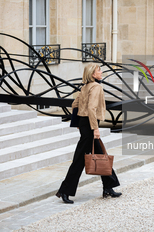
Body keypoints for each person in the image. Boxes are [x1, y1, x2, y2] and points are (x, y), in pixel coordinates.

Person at [56, 63, 122, 204]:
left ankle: (108, 187)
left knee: (101, 155)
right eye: (99, 70)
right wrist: (95, 128)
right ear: (93, 74)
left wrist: (79, 125)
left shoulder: (85, 87)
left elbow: (75, 105)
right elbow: (92, 108)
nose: (101, 71)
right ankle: (65, 190)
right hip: (91, 125)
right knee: (80, 159)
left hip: (85, 124)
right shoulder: (96, 87)